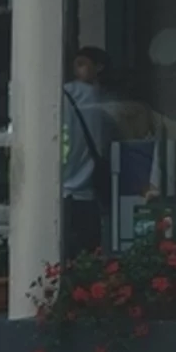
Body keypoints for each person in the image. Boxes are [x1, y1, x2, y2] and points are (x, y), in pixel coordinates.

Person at [60, 46, 117, 258]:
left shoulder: (65, 94)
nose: (77, 69)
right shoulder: (108, 100)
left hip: (67, 191)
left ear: (98, 67)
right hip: (89, 195)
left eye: (82, 63)